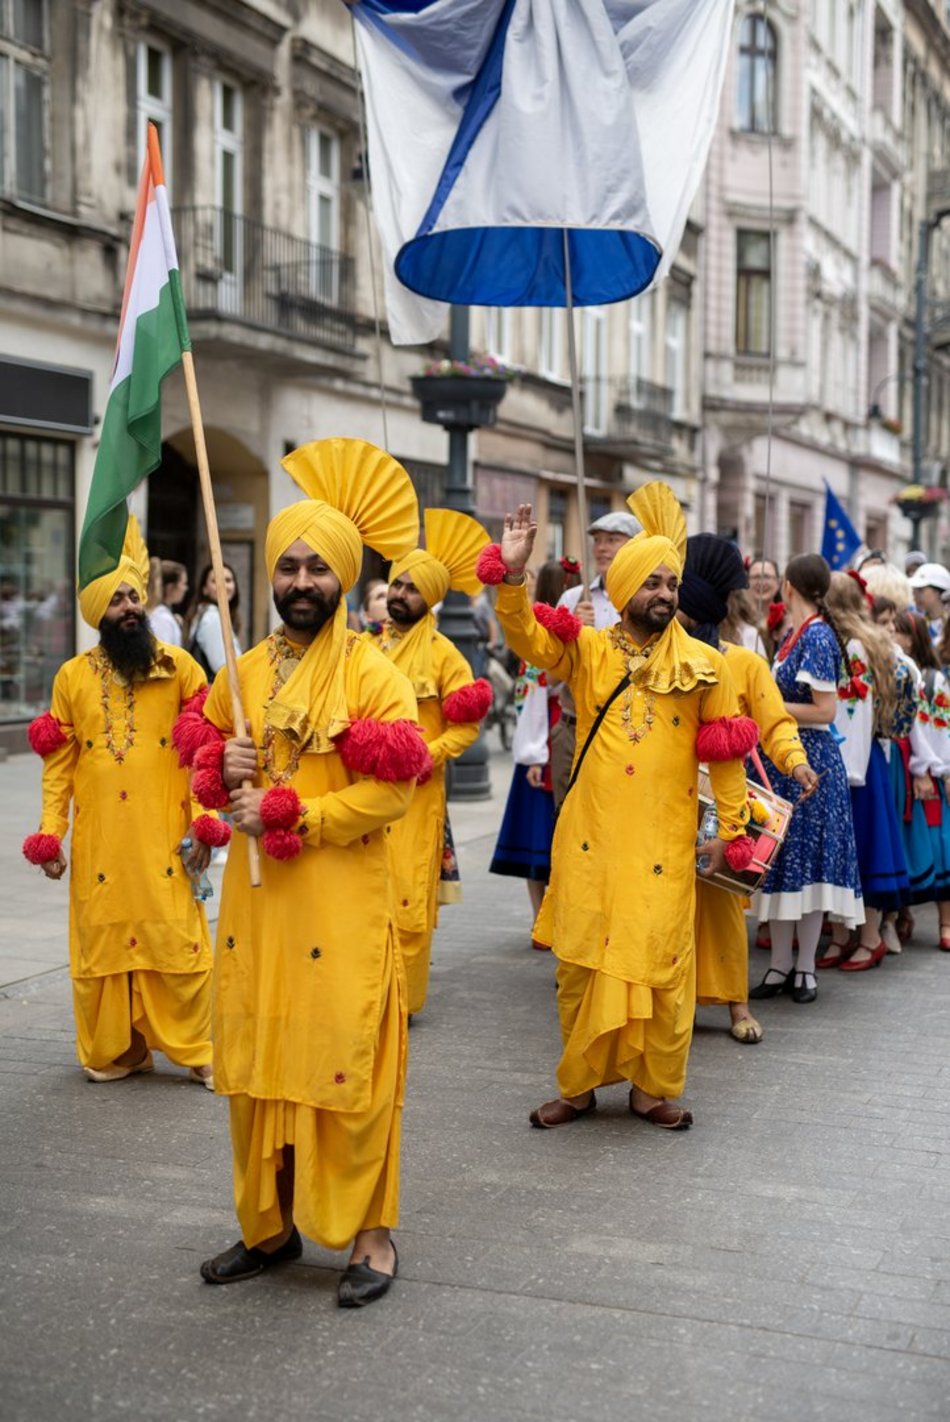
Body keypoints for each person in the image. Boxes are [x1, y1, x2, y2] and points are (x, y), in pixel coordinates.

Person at [183, 438, 429, 1308]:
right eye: (287, 565)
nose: (298, 582)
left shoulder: (373, 673)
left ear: (343, 579)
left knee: (347, 1071)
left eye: (316, 569)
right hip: (259, 917)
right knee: (255, 1066)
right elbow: (204, 767)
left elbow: (394, 793)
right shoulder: (243, 671)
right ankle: (269, 1228)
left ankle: (372, 1234)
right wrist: (223, 767)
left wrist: (299, 814)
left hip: (343, 913)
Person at [479, 483, 757, 1130]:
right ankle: (577, 1087)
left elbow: (726, 758)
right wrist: (514, 574)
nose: (663, 593)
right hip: (590, 839)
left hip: (665, 842)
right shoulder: (588, 648)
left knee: (663, 961)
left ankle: (652, 1089)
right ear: (624, 588)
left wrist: (734, 830)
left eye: (671, 583)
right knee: (579, 963)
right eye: (650, 582)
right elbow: (524, 638)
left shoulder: (707, 665)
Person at [22, 516, 219, 1087]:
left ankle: (198, 1049)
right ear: (96, 614)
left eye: (134, 594)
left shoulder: (178, 667)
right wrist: (49, 834)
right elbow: (59, 766)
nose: (129, 607)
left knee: (176, 941)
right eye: (115, 600)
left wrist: (206, 821)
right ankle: (119, 1050)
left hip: (165, 836)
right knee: (103, 945)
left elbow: (203, 753)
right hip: (102, 842)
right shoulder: (71, 678)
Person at [677, 535, 816, 1044]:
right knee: (669, 907)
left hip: (724, 806)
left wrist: (796, 762)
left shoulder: (744, 662)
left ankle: (737, 1004)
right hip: (663, 801)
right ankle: (676, 1001)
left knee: (724, 905)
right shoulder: (657, 659)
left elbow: (775, 722)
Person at [365, 509, 493, 1016]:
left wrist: (425, 756)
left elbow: (466, 727)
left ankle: (402, 999)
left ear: (431, 598)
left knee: (408, 898)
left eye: (413, 589)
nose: (400, 596)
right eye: (397, 585)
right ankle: (366, 990)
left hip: (417, 799)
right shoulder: (363, 646)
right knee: (366, 889)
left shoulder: (446, 656)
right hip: (363, 787)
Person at [750, 555, 863, 1006]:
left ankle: (804, 969)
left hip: (810, 761)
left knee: (808, 863)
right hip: (784, 759)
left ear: (790, 586)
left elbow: (825, 710)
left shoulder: (815, 634)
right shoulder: (794, 633)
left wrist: (767, 706)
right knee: (780, 861)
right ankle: (781, 965)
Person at [817, 573, 909, 970]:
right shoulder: (845, 640)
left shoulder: (855, 646)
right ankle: (842, 936)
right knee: (842, 851)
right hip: (850, 755)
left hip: (855, 760)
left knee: (863, 849)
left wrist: (848, 767)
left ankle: (869, 938)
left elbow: (854, 711)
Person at [489, 559, 566, 925]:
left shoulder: (547, 632)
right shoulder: (542, 635)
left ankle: (543, 918)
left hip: (549, 737)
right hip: (546, 737)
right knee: (542, 840)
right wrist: (534, 752)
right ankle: (542, 919)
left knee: (546, 839)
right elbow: (533, 694)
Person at [550, 510, 638, 807]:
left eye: (612, 539)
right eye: (598, 540)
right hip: (573, 728)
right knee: (567, 820)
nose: (601, 547)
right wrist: (571, 633)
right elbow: (548, 676)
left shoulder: (644, 601)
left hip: (625, 733)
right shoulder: (574, 599)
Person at [187, 561, 242, 677]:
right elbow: (224, 667)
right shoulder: (212, 618)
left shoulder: (209, 614)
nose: (223, 585)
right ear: (205, 589)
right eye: (215, 580)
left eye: (228, 580)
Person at [148, 559, 189, 647]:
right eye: (183, 583)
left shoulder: (165, 616)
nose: (185, 588)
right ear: (170, 587)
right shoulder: (162, 619)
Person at [908, 562, 950, 645]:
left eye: (920, 590)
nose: (915, 595)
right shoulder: (916, 622)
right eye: (914, 590)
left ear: (937, 592)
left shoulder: (947, 624)